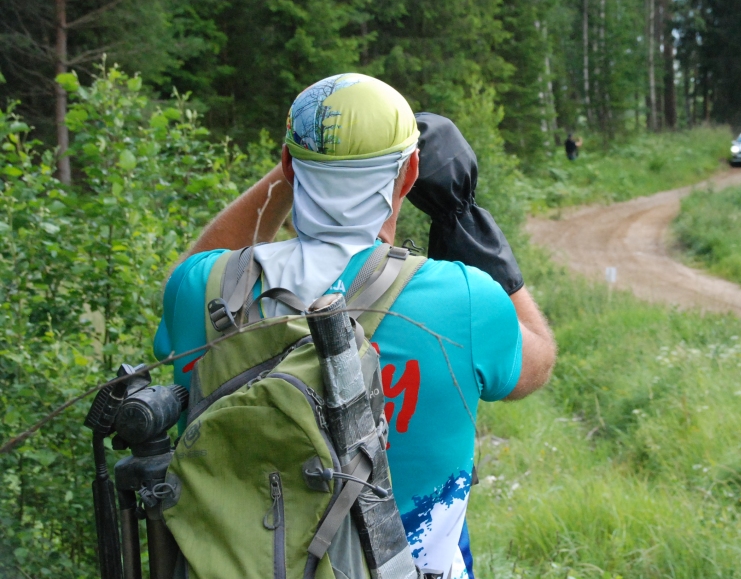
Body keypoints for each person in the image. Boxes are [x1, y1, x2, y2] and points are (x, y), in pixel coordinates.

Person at [153, 73, 557, 579]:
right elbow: (536, 363)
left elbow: (201, 263)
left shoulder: (206, 289)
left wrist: (295, 167)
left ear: (287, 166)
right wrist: (464, 216)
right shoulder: (465, 299)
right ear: (409, 173)